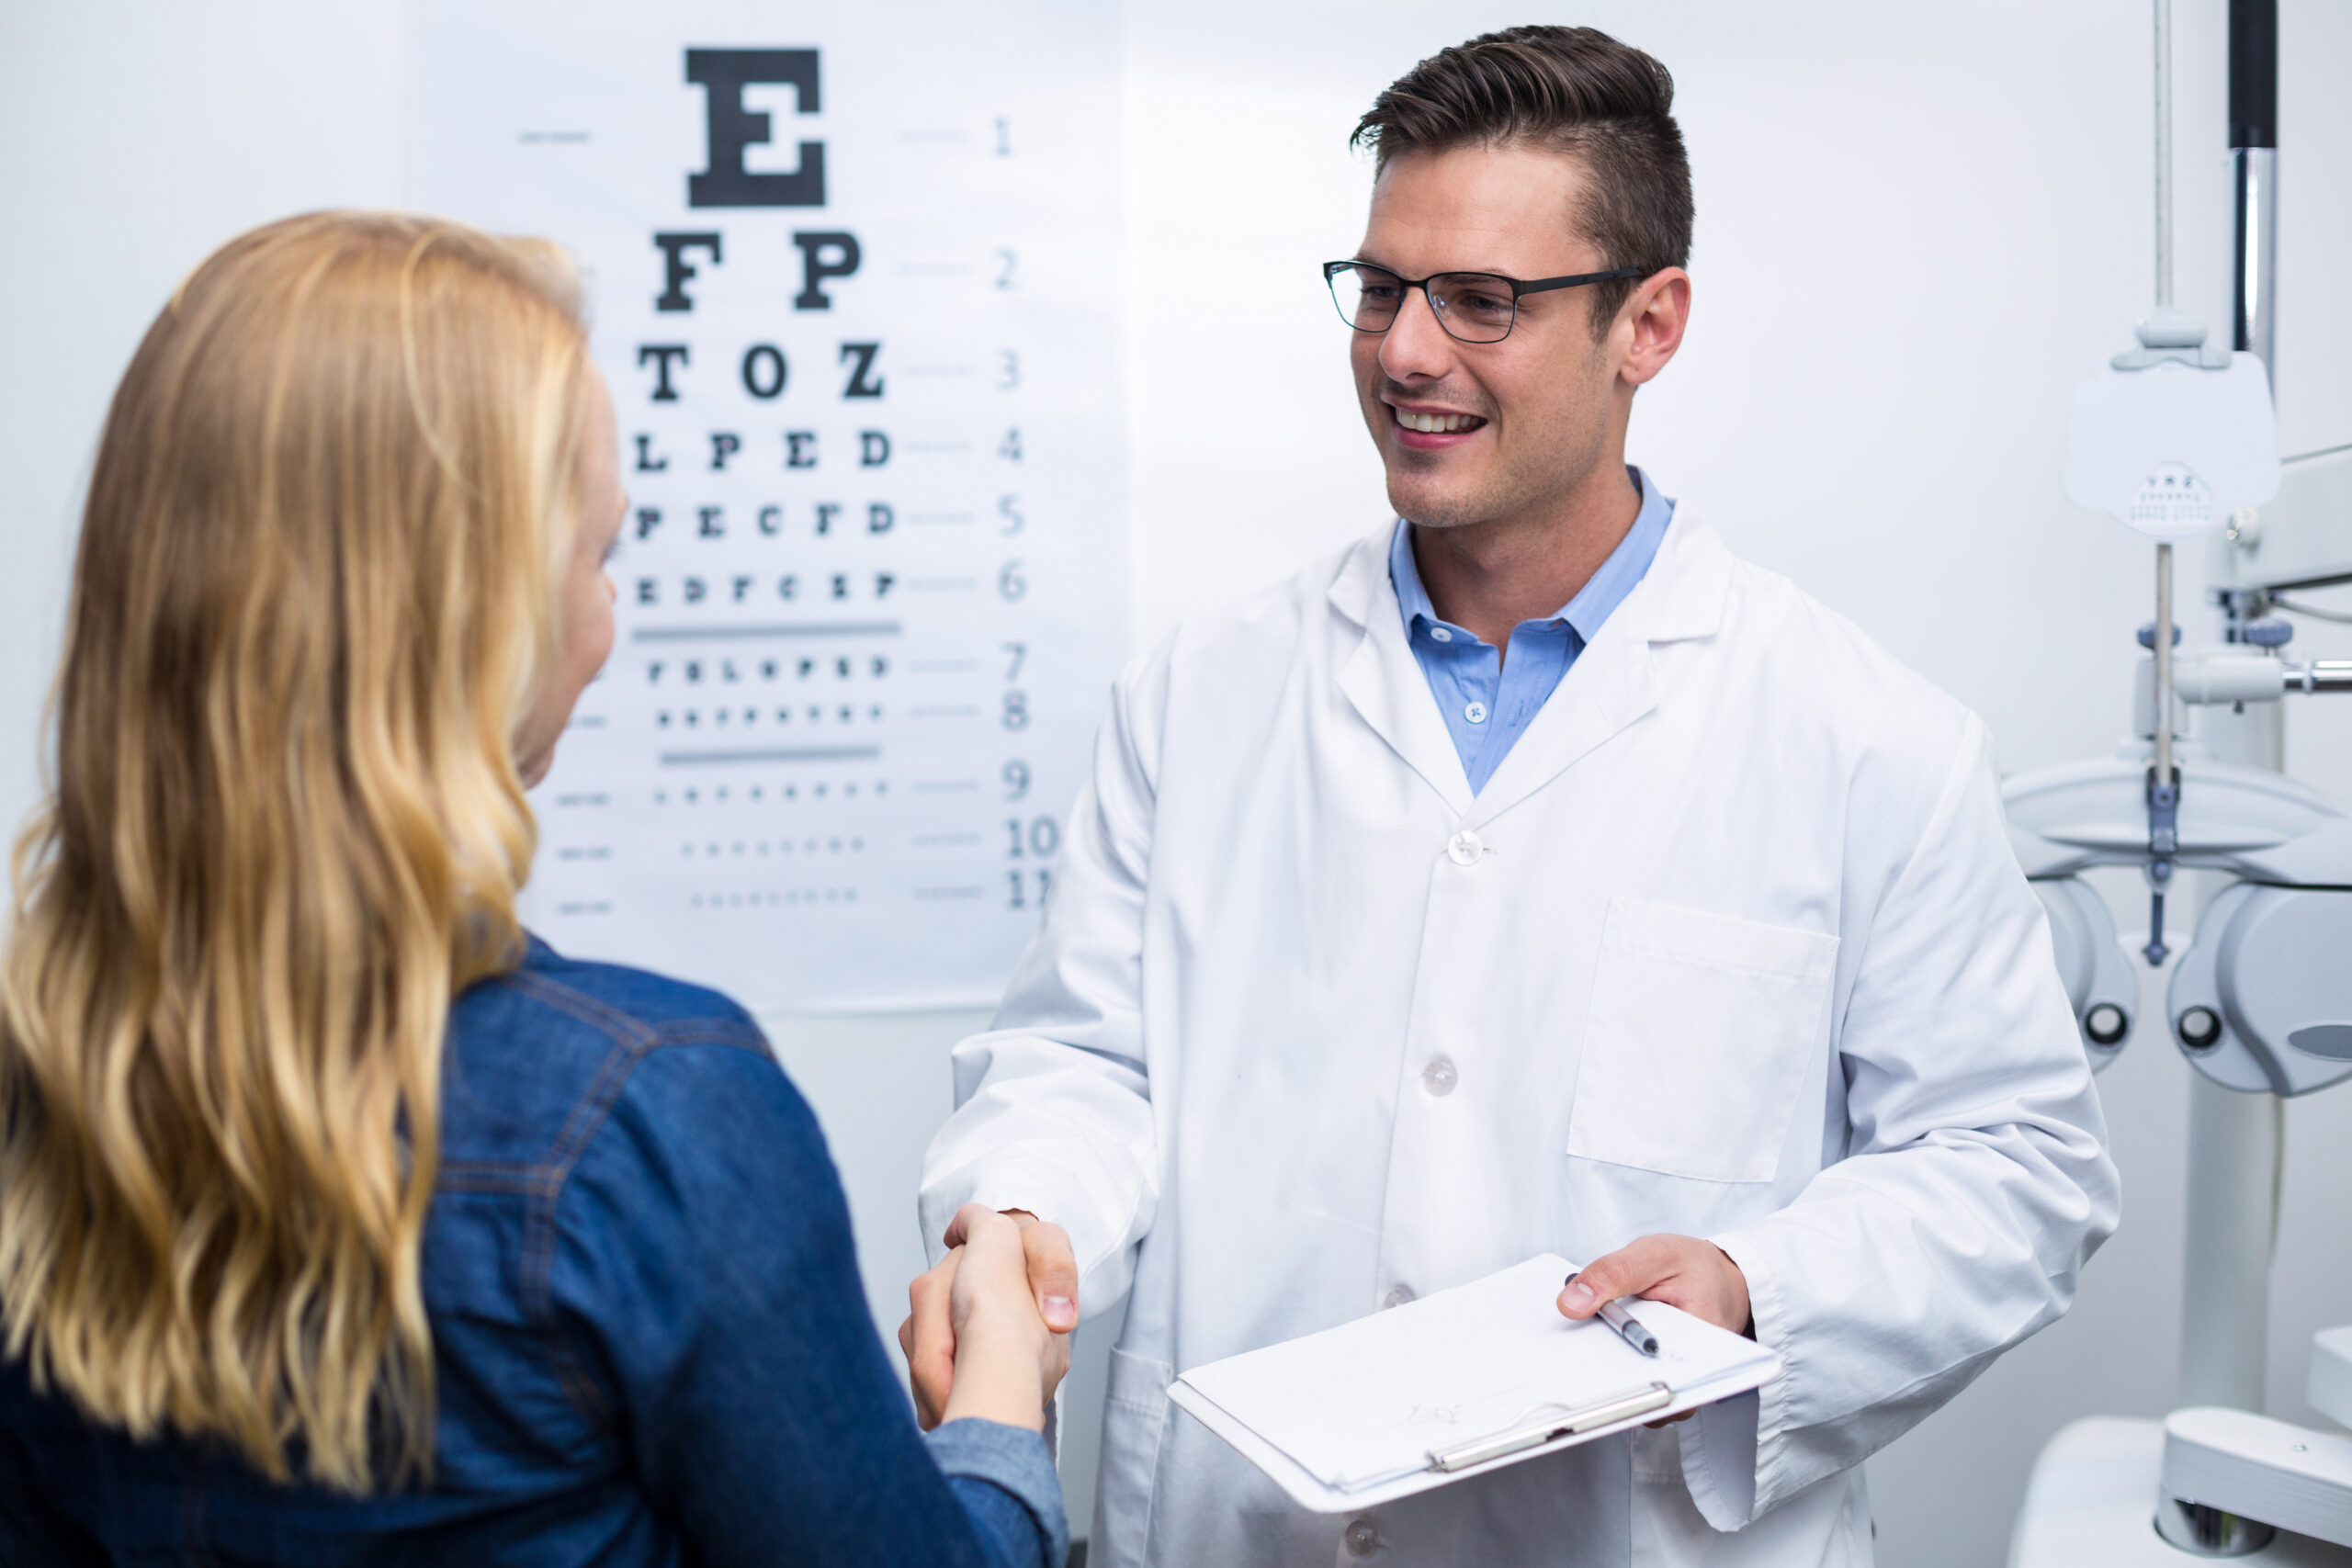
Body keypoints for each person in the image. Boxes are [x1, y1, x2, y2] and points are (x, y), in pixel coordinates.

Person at [906, 26, 2120, 1568]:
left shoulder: (1863, 738)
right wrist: (1023, 1213)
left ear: (1649, 323)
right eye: (1380, 289)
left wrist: (1759, 1285)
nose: (1407, 351)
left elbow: (2017, 1166)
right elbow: (1080, 1061)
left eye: (1483, 301)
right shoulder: (1203, 694)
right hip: (1246, 1527)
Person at [0, 211, 1069, 1568]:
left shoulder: (43, 1086)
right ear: (468, 617)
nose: (606, 627)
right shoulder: (650, 1122)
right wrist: (1001, 1398)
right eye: (595, 556)